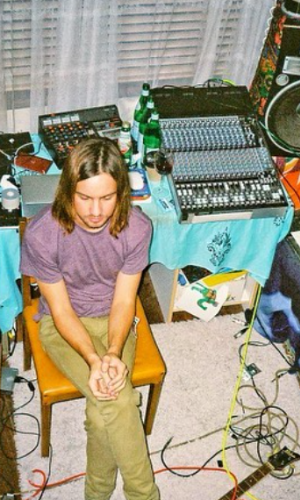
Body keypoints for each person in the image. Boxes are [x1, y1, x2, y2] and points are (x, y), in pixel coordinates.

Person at [21, 137, 160, 500]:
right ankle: (145, 495)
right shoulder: (42, 233)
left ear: (121, 193)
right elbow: (61, 310)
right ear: (68, 190)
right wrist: (93, 359)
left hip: (115, 319)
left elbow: (124, 300)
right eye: (85, 198)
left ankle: (96, 494)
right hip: (62, 326)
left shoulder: (138, 227)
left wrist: (112, 351)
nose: (96, 211)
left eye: (106, 198)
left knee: (102, 412)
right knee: (117, 401)